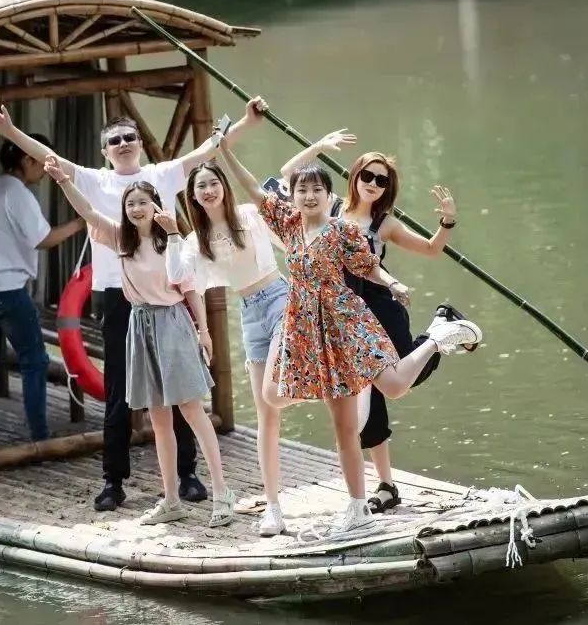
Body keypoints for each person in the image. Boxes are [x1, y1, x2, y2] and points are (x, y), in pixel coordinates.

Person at [0, 99, 262, 511]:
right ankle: (113, 480)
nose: (124, 143)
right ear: (105, 151)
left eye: (130, 137)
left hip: (167, 297)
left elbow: (210, 149)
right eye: (115, 140)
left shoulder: (161, 175)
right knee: (118, 393)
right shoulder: (96, 181)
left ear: (141, 144)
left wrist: (248, 122)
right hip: (119, 297)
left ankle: (188, 474)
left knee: (180, 391)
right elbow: (49, 159)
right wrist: (9, 132)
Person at [222, 140, 483, 536]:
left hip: (347, 320)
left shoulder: (343, 229)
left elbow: (369, 267)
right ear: (293, 197)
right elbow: (255, 190)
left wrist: (393, 281)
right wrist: (224, 150)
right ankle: (358, 507)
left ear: (329, 197)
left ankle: (437, 336)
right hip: (310, 329)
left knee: (392, 388)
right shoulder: (289, 225)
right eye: (302, 191)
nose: (309, 196)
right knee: (328, 420)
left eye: (316, 191)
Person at [45, 161, 236, 527]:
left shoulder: (171, 241)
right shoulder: (120, 237)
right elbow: (86, 211)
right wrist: (65, 181)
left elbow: (188, 287)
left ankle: (223, 493)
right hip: (140, 323)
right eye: (130, 204)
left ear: (155, 205)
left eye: (142, 203)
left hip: (172, 322)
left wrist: (204, 332)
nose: (135, 209)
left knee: (192, 411)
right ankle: (171, 500)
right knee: (158, 419)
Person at [283, 145, 469, 513]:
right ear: (354, 176)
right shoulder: (328, 206)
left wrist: (447, 222)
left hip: (380, 308)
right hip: (341, 316)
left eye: (381, 180)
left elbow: (431, 250)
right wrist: (319, 148)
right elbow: (290, 175)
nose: (372, 183)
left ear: (387, 188)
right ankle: (385, 485)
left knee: (400, 382)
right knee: (367, 401)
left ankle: (438, 330)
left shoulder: (385, 224)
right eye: (367, 175)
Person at [161, 114, 315, 537]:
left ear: (224, 188)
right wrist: (174, 235)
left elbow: (285, 190)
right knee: (268, 417)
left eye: (213, 183)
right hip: (248, 312)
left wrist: (315, 150)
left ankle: (319, 378)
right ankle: (274, 509)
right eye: (200, 187)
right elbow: (179, 275)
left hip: (280, 298)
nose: (208, 190)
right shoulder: (196, 242)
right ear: (193, 197)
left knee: (273, 392)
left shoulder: (249, 214)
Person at [0, 137, 84, 447]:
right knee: (34, 361)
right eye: (41, 164)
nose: (43, 171)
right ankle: (40, 436)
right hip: (5, 289)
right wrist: (83, 223)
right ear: (28, 161)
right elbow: (43, 239)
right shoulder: (18, 194)